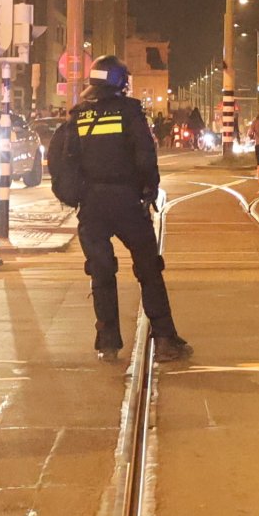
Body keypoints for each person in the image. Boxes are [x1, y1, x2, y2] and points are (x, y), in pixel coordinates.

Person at [66, 56, 191, 363]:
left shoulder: (78, 115)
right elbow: (145, 155)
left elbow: (67, 159)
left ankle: (107, 342)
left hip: (92, 204)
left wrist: (77, 196)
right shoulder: (129, 112)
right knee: (148, 268)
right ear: (120, 82)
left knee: (101, 271)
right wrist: (149, 190)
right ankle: (165, 339)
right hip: (126, 201)